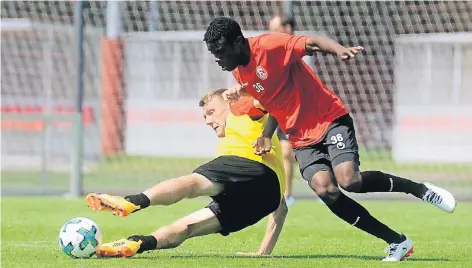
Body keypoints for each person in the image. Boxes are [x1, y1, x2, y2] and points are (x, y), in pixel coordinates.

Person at [203, 17, 457, 262]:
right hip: (300, 137)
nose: (217, 59)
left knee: (350, 180)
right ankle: (396, 242)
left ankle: (421, 190)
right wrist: (266, 135)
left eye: (221, 52)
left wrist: (339, 50)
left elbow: (312, 42)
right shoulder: (240, 74)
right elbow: (274, 102)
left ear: (238, 43)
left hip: (328, 119)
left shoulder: (269, 45)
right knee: (326, 189)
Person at [84, 89, 288, 258]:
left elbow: (270, 100)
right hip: (268, 198)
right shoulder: (230, 144)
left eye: (211, 111)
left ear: (228, 102)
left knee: (192, 184)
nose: (208, 120)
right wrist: (263, 252)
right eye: (205, 116)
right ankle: (138, 243)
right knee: (186, 227)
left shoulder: (240, 109)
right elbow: (281, 209)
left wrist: (244, 92)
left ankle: (131, 201)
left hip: (251, 167)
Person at [268, 14, 315, 206]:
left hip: (301, 108)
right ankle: (287, 194)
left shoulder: (300, 48)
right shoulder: (270, 49)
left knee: (305, 150)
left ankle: (324, 183)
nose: (271, 33)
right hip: (282, 107)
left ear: (287, 28)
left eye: (275, 29)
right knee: (286, 151)